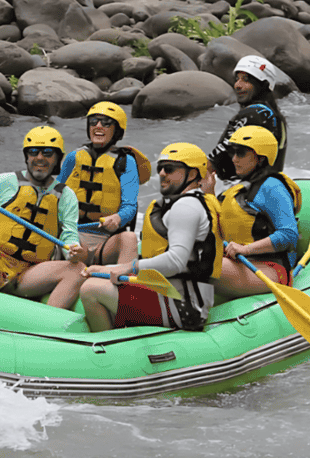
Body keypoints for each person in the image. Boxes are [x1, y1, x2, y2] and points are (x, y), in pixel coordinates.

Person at [78, 142, 226, 334]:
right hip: (174, 293)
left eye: (170, 169)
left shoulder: (186, 207)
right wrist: (106, 269)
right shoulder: (193, 202)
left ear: (191, 174)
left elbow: (175, 261)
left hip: (183, 306)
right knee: (100, 278)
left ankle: (109, 352)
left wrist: (127, 267)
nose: (162, 173)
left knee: (91, 289)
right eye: (161, 168)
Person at [0, 127, 87, 307]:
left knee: (78, 269)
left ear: (57, 158)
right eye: (34, 152)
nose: (40, 158)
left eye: (48, 153)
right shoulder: (5, 182)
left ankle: (46, 328)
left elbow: (69, 234)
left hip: (30, 273)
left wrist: (72, 249)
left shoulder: (66, 196)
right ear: (27, 156)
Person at [215, 126, 300, 298]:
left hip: (270, 269)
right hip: (241, 264)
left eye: (241, 153)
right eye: (233, 152)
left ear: (260, 157)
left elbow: (289, 234)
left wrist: (246, 250)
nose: (234, 159)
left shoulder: (272, 186)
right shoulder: (237, 191)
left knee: (199, 263)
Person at [57, 102, 142, 267]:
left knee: (129, 238)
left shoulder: (126, 162)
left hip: (106, 241)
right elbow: (55, 195)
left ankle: (122, 284)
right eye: (93, 121)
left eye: (106, 122)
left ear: (117, 130)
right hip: (72, 236)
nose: (98, 126)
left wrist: (118, 217)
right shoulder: (73, 158)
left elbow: (130, 207)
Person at [209, 54, 288, 180]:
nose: (237, 85)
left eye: (246, 80)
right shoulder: (275, 116)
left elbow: (217, 159)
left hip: (245, 191)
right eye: (237, 79)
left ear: (263, 85)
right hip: (267, 185)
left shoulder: (253, 114)